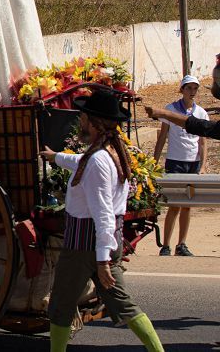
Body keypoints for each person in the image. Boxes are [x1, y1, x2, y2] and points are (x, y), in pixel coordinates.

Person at [39, 89, 163, 352]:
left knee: (60, 305)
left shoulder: (97, 161)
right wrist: (56, 157)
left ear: (94, 122)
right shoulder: (109, 151)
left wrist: (102, 261)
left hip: (85, 245)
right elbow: (81, 162)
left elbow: (103, 213)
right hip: (105, 243)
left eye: (83, 116)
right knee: (122, 301)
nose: (80, 121)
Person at [151, 75, 208, 257]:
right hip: (175, 162)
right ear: (182, 90)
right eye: (189, 88)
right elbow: (162, 138)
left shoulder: (201, 113)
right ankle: (166, 245)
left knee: (187, 205)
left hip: (193, 163)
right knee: (174, 204)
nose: (192, 92)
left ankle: (181, 244)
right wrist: (154, 162)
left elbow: (203, 143)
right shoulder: (171, 109)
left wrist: (203, 165)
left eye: (195, 89)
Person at [146, 103, 220, 140]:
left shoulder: (200, 111)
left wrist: (164, 114)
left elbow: (204, 128)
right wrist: (164, 114)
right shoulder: (171, 107)